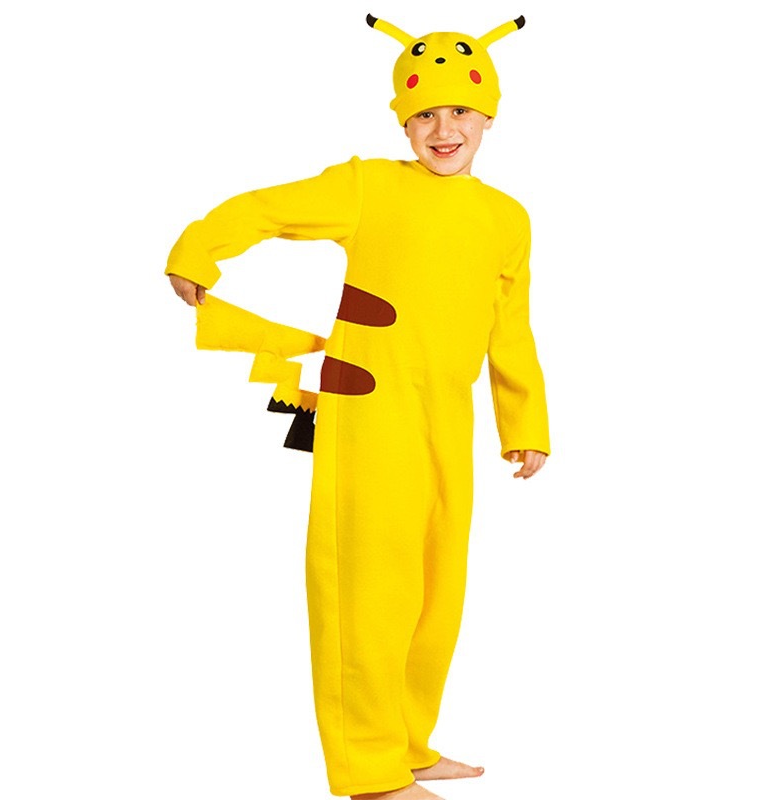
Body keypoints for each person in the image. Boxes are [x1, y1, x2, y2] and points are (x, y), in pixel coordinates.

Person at [166, 13, 549, 800]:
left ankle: (407, 744)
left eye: (461, 110)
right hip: (369, 412)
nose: (443, 128)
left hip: (448, 417)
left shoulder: (507, 218)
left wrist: (525, 423)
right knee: (369, 589)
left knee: (436, 592)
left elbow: (511, 328)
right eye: (424, 113)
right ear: (403, 121)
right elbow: (268, 207)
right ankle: (370, 771)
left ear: (489, 117)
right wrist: (198, 251)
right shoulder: (370, 185)